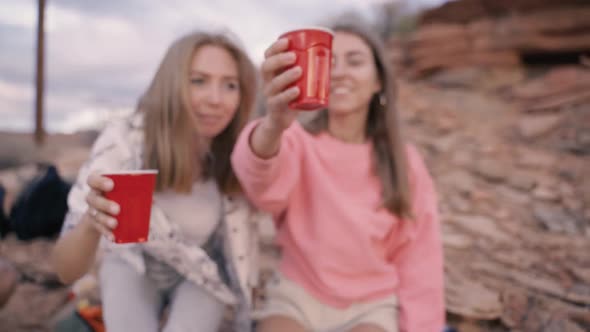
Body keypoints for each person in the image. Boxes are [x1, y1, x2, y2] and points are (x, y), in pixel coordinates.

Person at [231, 22, 445, 332]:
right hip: (297, 293)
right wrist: (274, 123)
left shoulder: (405, 161)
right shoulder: (294, 140)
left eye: (355, 61)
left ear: (378, 82)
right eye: (328, 62)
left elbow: (420, 256)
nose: (340, 72)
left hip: (372, 304)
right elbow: (260, 186)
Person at [51, 30, 266, 332]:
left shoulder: (237, 150)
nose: (216, 99)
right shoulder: (123, 142)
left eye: (230, 85)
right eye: (198, 81)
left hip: (200, 275)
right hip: (132, 267)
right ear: (170, 85)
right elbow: (64, 270)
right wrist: (91, 222)